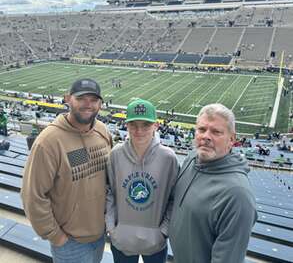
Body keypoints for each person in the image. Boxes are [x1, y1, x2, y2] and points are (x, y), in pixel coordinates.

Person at [21, 78, 112, 263]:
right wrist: (55, 236)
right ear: (68, 99)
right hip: (70, 243)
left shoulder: (102, 130)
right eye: (81, 98)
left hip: (100, 235)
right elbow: (32, 195)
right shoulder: (48, 142)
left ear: (100, 104)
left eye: (93, 100)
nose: (88, 104)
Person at [169, 103, 257, 263]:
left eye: (216, 132)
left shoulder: (238, 195)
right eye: (202, 129)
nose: (206, 136)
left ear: (232, 140)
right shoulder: (191, 158)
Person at [106, 98, 179, 263]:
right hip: (122, 240)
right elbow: (108, 192)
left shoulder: (168, 158)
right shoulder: (116, 154)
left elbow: (174, 199)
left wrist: (163, 231)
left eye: (145, 125)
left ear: (155, 126)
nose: (139, 131)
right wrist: (111, 228)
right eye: (133, 125)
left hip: (155, 242)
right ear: (126, 125)